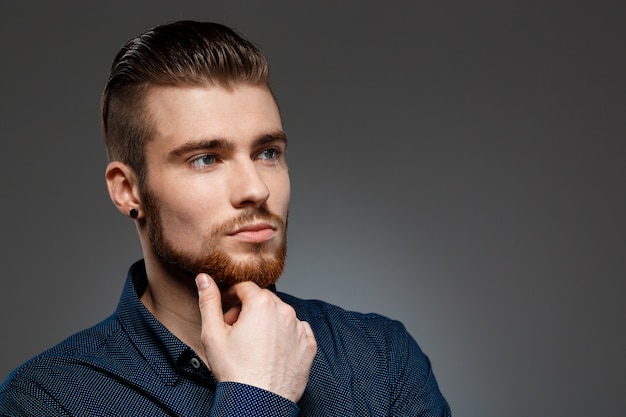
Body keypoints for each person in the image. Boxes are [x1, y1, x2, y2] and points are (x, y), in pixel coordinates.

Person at [0, 20, 451, 416]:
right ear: (128, 189)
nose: (256, 188)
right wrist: (256, 400)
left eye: (267, 152)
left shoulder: (380, 359)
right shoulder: (46, 399)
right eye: (205, 159)